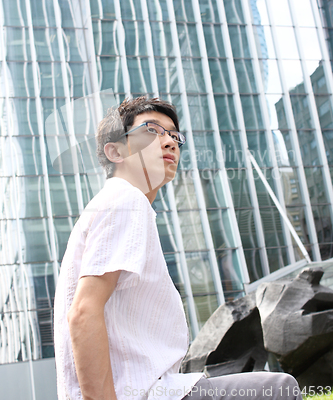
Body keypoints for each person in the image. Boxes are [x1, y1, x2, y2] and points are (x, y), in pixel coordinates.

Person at [54, 96, 303, 400]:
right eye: (152, 130)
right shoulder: (126, 200)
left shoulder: (117, 205)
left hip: (152, 389)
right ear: (115, 151)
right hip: (141, 394)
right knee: (278, 389)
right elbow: (82, 312)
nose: (170, 142)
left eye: (174, 135)